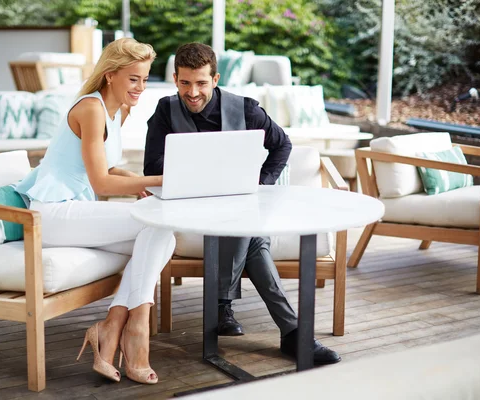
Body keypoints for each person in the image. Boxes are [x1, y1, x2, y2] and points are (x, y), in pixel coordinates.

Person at [143, 42, 340, 365]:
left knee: (250, 234)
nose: (193, 92)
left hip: (240, 208)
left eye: (201, 83)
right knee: (250, 233)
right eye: (185, 83)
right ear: (175, 78)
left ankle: (233, 311)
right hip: (191, 207)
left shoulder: (246, 109)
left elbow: (282, 145)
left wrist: (261, 185)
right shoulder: (165, 111)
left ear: (216, 79)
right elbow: (152, 167)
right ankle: (285, 332)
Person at [16, 38, 176, 385]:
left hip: (76, 210)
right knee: (159, 226)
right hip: (53, 215)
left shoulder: (118, 110)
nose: (140, 87)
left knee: (159, 236)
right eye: (133, 78)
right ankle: (134, 331)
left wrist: (134, 178)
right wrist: (162, 179)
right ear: (110, 76)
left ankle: (113, 324)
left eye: (145, 79)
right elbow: (101, 184)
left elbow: (106, 168)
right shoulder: (90, 109)